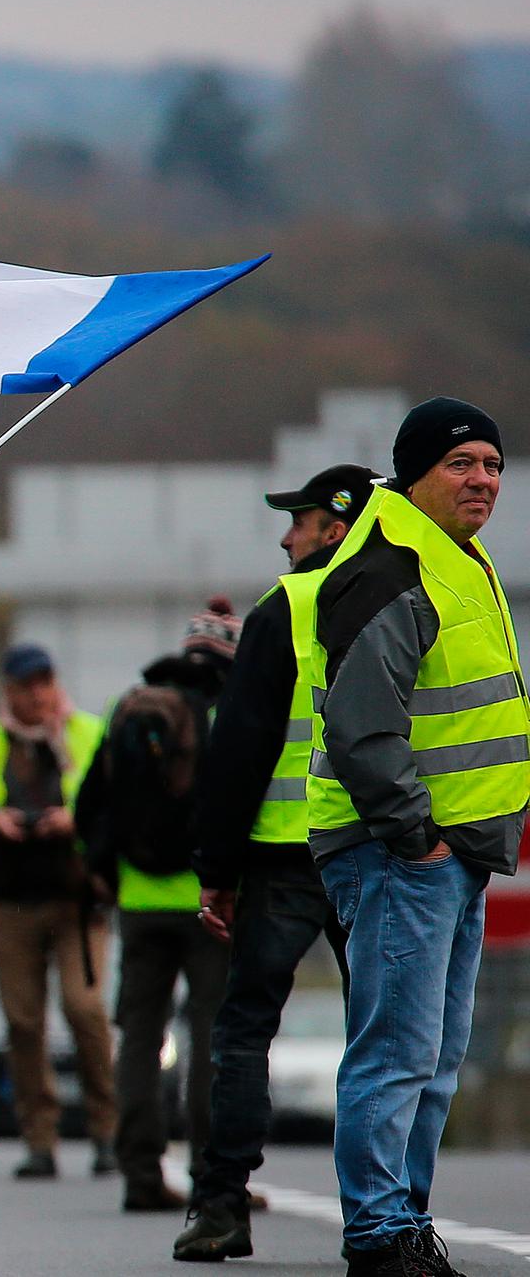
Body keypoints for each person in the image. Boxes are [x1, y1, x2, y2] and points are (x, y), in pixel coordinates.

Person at [302, 399, 524, 1277]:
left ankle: (404, 1222)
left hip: (453, 852)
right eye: (462, 464)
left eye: (493, 465)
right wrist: (415, 837)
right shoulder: (390, 566)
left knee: (430, 1058)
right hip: (403, 851)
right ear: (415, 471)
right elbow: (363, 728)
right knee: (396, 1052)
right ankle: (379, 1233)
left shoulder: (454, 556)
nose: (484, 481)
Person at [173, 464, 374, 1263]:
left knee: (246, 1028)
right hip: (387, 852)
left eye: (297, 522)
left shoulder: (286, 607)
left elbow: (241, 745)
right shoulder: (424, 597)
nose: (287, 537)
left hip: (287, 852)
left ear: (333, 525)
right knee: (391, 1034)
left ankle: (222, 1207)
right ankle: (391, 1210)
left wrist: (216, 867)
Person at [76, 602, 242, 1213]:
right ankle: (212, 1176)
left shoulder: (131, 708)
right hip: (212, 900)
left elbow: (89, 801)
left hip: (138, 900)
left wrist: (102, 871)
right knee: (212, 1037)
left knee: (139, 1038)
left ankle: (140, 1173)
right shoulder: (229, 713)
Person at [0, 644, 117, 1181]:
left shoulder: (89, 735)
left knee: (84, 1007)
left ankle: (106, 1131)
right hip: (12, 898)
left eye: (45, 683)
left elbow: (113, 804)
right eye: (27, 686)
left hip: (78, 899)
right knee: (23, 1021)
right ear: (7, 690)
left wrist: (73, 821)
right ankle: (40, 1139)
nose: (38, 695)